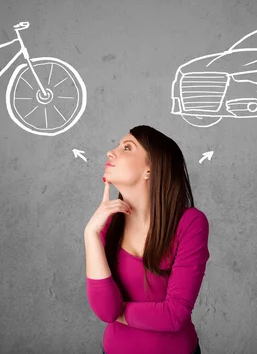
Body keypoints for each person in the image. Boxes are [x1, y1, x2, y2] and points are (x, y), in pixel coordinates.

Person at [84, 125, 209, 354]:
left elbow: (174, 316)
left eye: (127, 147)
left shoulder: (190, 223)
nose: (111, 152)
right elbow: (104, 312)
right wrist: (90, 235)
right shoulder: (106, 225)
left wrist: (118, 310)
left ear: (149, 170)